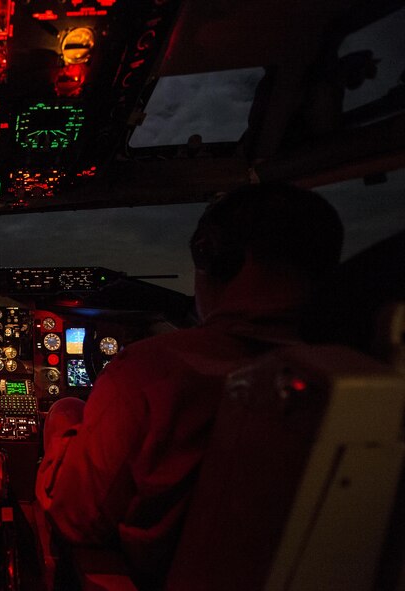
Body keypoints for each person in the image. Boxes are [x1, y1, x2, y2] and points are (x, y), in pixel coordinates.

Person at [35, 183, 343, 588]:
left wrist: (61, 427)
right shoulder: (346, 374)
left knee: (66, 411)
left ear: (212, 254)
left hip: (142, 575)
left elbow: (75, 520)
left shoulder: (152, 370)